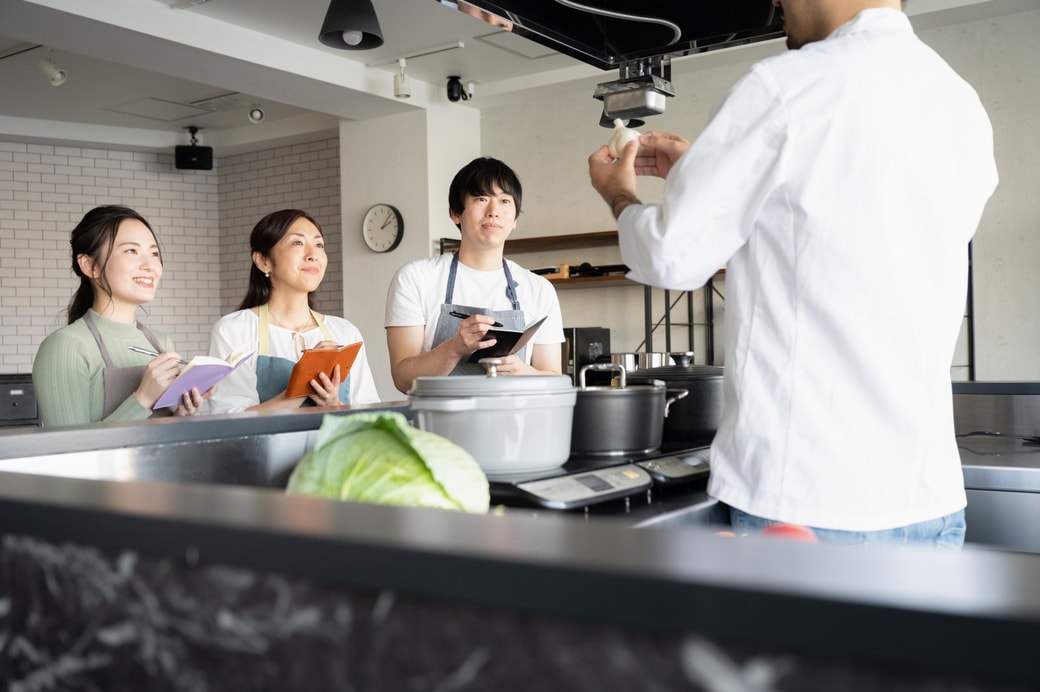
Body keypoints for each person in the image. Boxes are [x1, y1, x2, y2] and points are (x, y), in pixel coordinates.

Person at [587, 0, 998, 547]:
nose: (776, 4)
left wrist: (619, 194)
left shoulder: (785, 87)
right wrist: (704, 172)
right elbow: (843, 238)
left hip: (808, 499)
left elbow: (671, 256)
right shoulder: (959, 103)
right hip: (929, 499)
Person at [385, 157, 564, 394]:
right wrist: (455, 348)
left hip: (517, 426)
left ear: (515, 220)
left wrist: (521, 372)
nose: (494, 211)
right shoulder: (415, 278)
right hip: (439, 427)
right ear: (455, 214)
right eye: (481, 199)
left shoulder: (539, 289)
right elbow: (402, 378)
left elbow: (555, 379)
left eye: (504, 201)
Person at [33, 205, 211, 426]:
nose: (149, 266)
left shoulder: (160, 342)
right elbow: (69, 451)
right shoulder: (66, 346)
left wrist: (182, 415)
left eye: (154, 253)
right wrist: (143, 398)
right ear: (90, 265)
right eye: (131, 251)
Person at [207, 209, 380, 413]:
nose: (313, 255)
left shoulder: (345, 332)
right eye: (297, 243)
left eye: (319, 245)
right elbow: (230, 419)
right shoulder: (234, 330)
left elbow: (370, 415)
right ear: (263, 261)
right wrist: (301, 385)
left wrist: (334, 404)